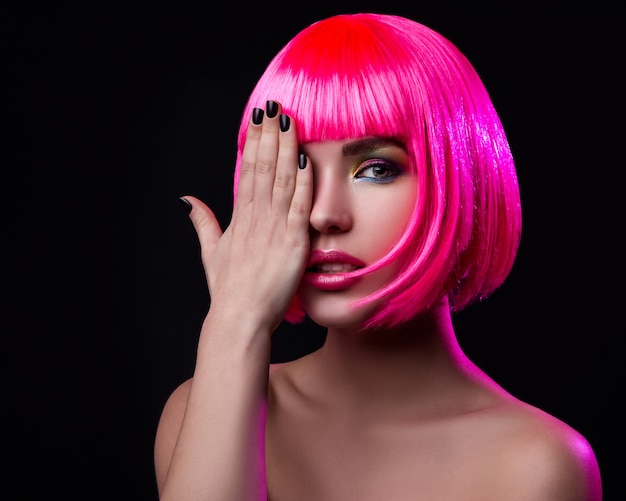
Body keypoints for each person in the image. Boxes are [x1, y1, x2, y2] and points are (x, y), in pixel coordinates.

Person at [153, 12, 602, 500]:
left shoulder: (534, 465)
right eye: (298, 165)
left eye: (376, 169)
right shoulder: (201, 411)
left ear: (460, 176)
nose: (324, 214)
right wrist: (234, 321)